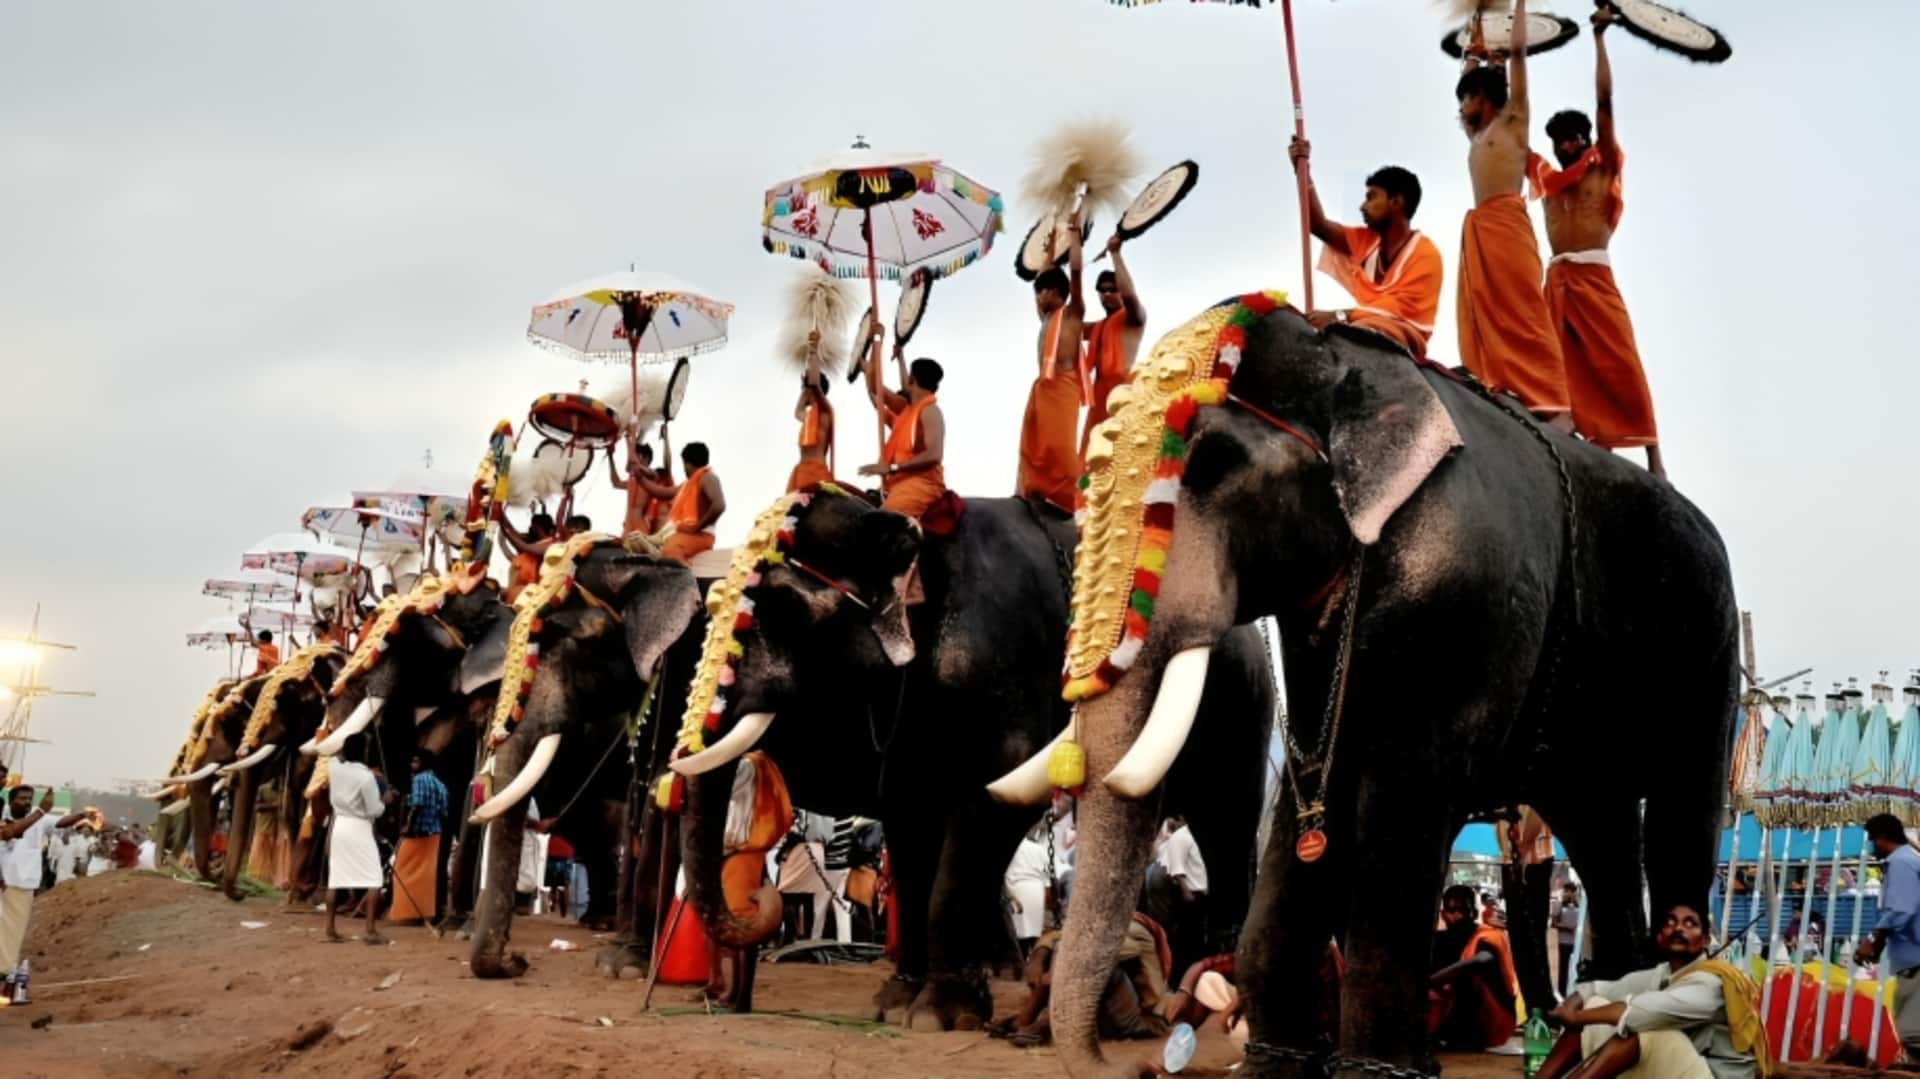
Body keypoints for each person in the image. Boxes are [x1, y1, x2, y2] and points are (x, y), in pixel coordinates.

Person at [1531, 6, 1663, 477]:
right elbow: (1504, 126)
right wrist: (1485, 63)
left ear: (1585, 137)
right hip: (1557, 277)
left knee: (1619, 360)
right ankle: (1581, 437)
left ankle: (1654, 458)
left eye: (1572, 137)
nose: (1566, 145)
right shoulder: (1546, 178)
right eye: (1559, 140)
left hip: (1594, 274)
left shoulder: (1602, 164)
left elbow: (1605, 101)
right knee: (1555, 362)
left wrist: (1600, 39)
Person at [1454, 0, 1571, 429]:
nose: (1463, 104)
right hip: (1482, 225)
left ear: (1485, 97)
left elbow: (1519, 56)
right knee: (1487, 310)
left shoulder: (1513, 120)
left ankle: (1558, 405)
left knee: (1523, 311)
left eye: (1469, 95)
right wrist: (1475, 34)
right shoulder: (1477, 133)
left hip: (1507, 222)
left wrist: (1518, 7)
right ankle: (1504, 386)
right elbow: (1469, 67)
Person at [1536, 903, 1766, 1079]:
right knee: (1595, 1005)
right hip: (1678, 1069)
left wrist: (1574, 1016)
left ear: (1704, 940)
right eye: (1671, 922)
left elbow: (1640, 1014)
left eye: (1690, 923)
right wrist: (1572, 1006)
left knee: (1648, 1030)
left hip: (1714, 1075)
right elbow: (1600, 989)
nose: (1678, 928)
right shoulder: (1662, 973)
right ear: (1660, 938)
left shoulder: (1711, 982)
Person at [1288, 140, 1445, 359]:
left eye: (1371, 197)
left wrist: (1338, 316)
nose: (1362, 206)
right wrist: (1302, 170)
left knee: (1352, 334)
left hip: (1402, 334)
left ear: (1396, 202)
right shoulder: (1367, 241)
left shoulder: (1426, 254)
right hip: (1361, 324)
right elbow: (1317, 225)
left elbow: (1395, 311)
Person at [994, 913, 1173, 1048]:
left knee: (1099, 968)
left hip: (1142, 1022)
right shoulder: (1098, 923)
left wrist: (1055, 974)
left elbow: (1097, 953)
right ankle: (1025, 1021)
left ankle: (1046, 1024)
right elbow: (1055, 937)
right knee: (1062, 948)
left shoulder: (1136, 929)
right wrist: (1038, 959)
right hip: (1103, 1017)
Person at [707, 750, 793, 1011]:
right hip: (733, 853)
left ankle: (743, 997)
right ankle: (735, 992)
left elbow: (725, 790)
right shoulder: (751, 763)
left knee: (744, 923)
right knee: (735, 922)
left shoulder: (748, 764)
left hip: (742, 852)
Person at [1019, 218, 1087, 513]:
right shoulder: (1046, 318)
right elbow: (1047, 275)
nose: (1038, 297)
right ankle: (1036, 494)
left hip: (1063, 386)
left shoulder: (1072, 314)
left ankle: (1076, 502)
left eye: (1043, 291)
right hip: (1042, 388)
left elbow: (1074, 273)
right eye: (1037, 292)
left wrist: (1073, 236)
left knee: (1060, 450)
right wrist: (1048, 250)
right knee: (1036, 449)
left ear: (1056, 294)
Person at [857, 327, 947, 517]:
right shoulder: (907, 408)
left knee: (881, 523)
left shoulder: (930, 411)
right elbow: (875, 387)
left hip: (922, 483)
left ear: (912, 380)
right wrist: (876, 343)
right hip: (899, 483)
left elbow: (935, 454)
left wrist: (891, 468)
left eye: (908, 377)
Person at [0, 784, 90, 971]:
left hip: (22, 883)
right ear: (11, 801)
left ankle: (4, 970)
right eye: (22, 798)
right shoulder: (4, 812)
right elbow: (11, 832)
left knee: (13, 931)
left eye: (29, 799)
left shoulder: (39, 817)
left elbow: (61, 822)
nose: (26, 803)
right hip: (3, 880)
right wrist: (40, 811)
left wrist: (82, 815)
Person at [1856, 813, 1920, 1054]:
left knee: (1912, 1035)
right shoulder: (1909, 860)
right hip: (1911, 961)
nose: (1873, 847)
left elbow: (1902, 909)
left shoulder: (1901, 863)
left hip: (1916, 962)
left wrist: (1872, 939)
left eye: (1873, 840)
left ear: (1881, 838)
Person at [1429, 884, 1521, 1051]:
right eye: (1453, 909)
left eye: (1463, 909)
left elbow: (1482, 959)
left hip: (1493, 1020)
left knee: (1467, 975)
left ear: (1473, 912)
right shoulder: (1441, 940)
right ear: (1443, 914)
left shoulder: (1489, 936)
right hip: (1450, 1014)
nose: (1459, 914)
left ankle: (1461, 1037)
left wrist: (1432, 980)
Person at [1079, 235, 1148, 454]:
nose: (1107, 293)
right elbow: (1062, 325)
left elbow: (1130, 295)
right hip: (1098, 396)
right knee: (1091, 458)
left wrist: (1115, 254)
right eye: (1102, 289)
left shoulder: (1133, 317)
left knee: (1120, 455)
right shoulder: (1097, 327)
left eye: (1112, 289)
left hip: (1122, 392)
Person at [324, 733, 392, 945]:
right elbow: (375, 810)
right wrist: (385, 800)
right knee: (373, 878)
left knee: (335, 879)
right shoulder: (366, 777)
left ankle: (330, 929)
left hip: (340, 825)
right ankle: (370, 930)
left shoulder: (334, 767)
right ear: (364, 752)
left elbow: (332, 753)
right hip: (359, 827)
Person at [631, 431, 725, 564]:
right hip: (682, 534)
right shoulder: (688, 485)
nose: (684, 469)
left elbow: (719, 506)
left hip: (701, 536)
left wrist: (697, 527)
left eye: (684, 465)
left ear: (688, 464)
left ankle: (684, 582)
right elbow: (661, 492)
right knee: (635, 542)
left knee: (670, 551)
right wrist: (640, 478)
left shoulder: (707, 478)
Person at [386, 752, 447, 926]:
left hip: (417, 833)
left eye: (417, 761)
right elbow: (444, 811)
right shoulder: (439, 784)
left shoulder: (420, 779)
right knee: (425, 875)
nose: (413, 764)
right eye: (412, 760)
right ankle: (423, 913)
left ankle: (405, 914)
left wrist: (408, 825)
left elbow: (417, 804)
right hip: (434, 834)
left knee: (401, 870)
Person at [1144, 816, 1208, 973]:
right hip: (1183, 891)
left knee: (1173, 931)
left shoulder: (1178, 838)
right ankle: (1174, 971)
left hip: (1170, 885)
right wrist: (1186, 891)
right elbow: (1177, 869)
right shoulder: (1179, 837)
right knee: (1178, 934)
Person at [789, 331, 836, 492]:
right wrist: (804, 387)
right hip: (801, 470)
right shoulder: (809, 416)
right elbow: (797, 412)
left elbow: (815, 384)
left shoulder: (825, 411)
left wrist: (813, 352)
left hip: (816, 470)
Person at [610, 433, 671, 536]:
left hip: (640, 522)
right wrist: (610, 457)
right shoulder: (632, 480)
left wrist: (629, 437)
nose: (633, 458)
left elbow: (633, 466)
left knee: (641, 547)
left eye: (637, 455)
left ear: (645, 458)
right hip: (628, 521)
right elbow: (616, 483)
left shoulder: (652, 476)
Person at [1006, 821, 1054, 952]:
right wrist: (1047, 890)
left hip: (1017, 888)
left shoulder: (1010, 849)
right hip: (1036, 890)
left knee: (1019, 931)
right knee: (1034, 931)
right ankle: (1033, 955)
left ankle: (1023, 959)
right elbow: (1046, 874)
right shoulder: (1038, 848)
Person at [499, 513, 556, 604]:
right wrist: (499, 515)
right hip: (517, 588)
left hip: (528, 591)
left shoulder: (550, 543)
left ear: (537, 526)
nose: (529, 528)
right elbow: (512, 530)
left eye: (532, 525)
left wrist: (505, 531)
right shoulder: (536, 542)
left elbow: (524, 546)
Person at [1553, 881, 1583, 989]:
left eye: (1571, 891)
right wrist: (1566, 927)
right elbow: (1553, 923)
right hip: (1564, 941)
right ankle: (1562, 990)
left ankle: (1576, 988)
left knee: (1577, 967)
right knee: (1564, 967)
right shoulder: (1559, 905)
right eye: (1567, 891)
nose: (1569, 893)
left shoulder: (1579, 905)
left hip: (1577, 942)